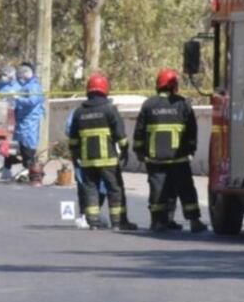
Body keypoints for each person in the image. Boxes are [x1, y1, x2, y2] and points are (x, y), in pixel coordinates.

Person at [133, 68, 206, 233]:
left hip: (155, 160)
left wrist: (138, 151)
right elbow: (192, 131)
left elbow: (139, 131)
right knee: (186, 190)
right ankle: (194, 221)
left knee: (158, 190)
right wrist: (191, 150)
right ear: (174, 86)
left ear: (158, 86)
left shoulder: (148, 105)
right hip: (179, 159)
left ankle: (159, 222)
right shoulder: (182, 104)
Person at [68, 73, 135, 230]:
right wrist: (125, 150)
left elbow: (73, 140)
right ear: (105, 89)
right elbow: (120, 136)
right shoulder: (110, 110)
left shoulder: (79, 112)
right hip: (108, 160)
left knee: (90, 188)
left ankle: (93, 221)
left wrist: (76, 156)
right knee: (115, 189)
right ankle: (119, 222)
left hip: (87, 160)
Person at [13, 62, 44, 181]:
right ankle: (28, 170)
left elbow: (32, 101)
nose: (20, 78)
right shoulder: (26, 86)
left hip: (29, 122)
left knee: (28, 147)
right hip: (23, 122)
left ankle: (31, 171)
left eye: (21, 75)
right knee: (23, 147)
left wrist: (18, 99)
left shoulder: (34, 87)